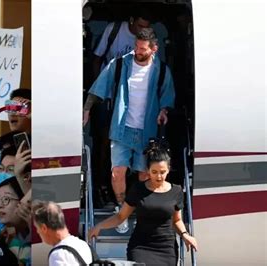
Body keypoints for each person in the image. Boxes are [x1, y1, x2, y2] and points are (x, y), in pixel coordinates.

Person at [83, 28, 175, 232]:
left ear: (154, 49)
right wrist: (87, 109)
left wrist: (164, 111)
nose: (137, 51)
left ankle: (139, 210)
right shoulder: (119, 64)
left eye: (142, 49)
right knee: (118, 172)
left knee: (144, 174)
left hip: (147, 130)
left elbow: (167, 97)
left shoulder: (162, 70)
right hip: (122, 127)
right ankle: (121, 209)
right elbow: (99, 87)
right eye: (136, 47)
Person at [88, 142, 198, 265]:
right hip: (141, 246)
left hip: (167, 248)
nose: (159, 176)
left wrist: (185, 235)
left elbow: (177, 220)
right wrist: (100, 226)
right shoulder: (138, 189)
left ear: (168, 170)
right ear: (148, 171)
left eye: (162, 172)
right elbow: (120, 216)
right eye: (154, 172)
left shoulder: (176, 191)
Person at [32, 200, 92, 266]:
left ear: (44, 228)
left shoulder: (58, 256)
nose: (37, 232)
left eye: (37, 228)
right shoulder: (82, 244)